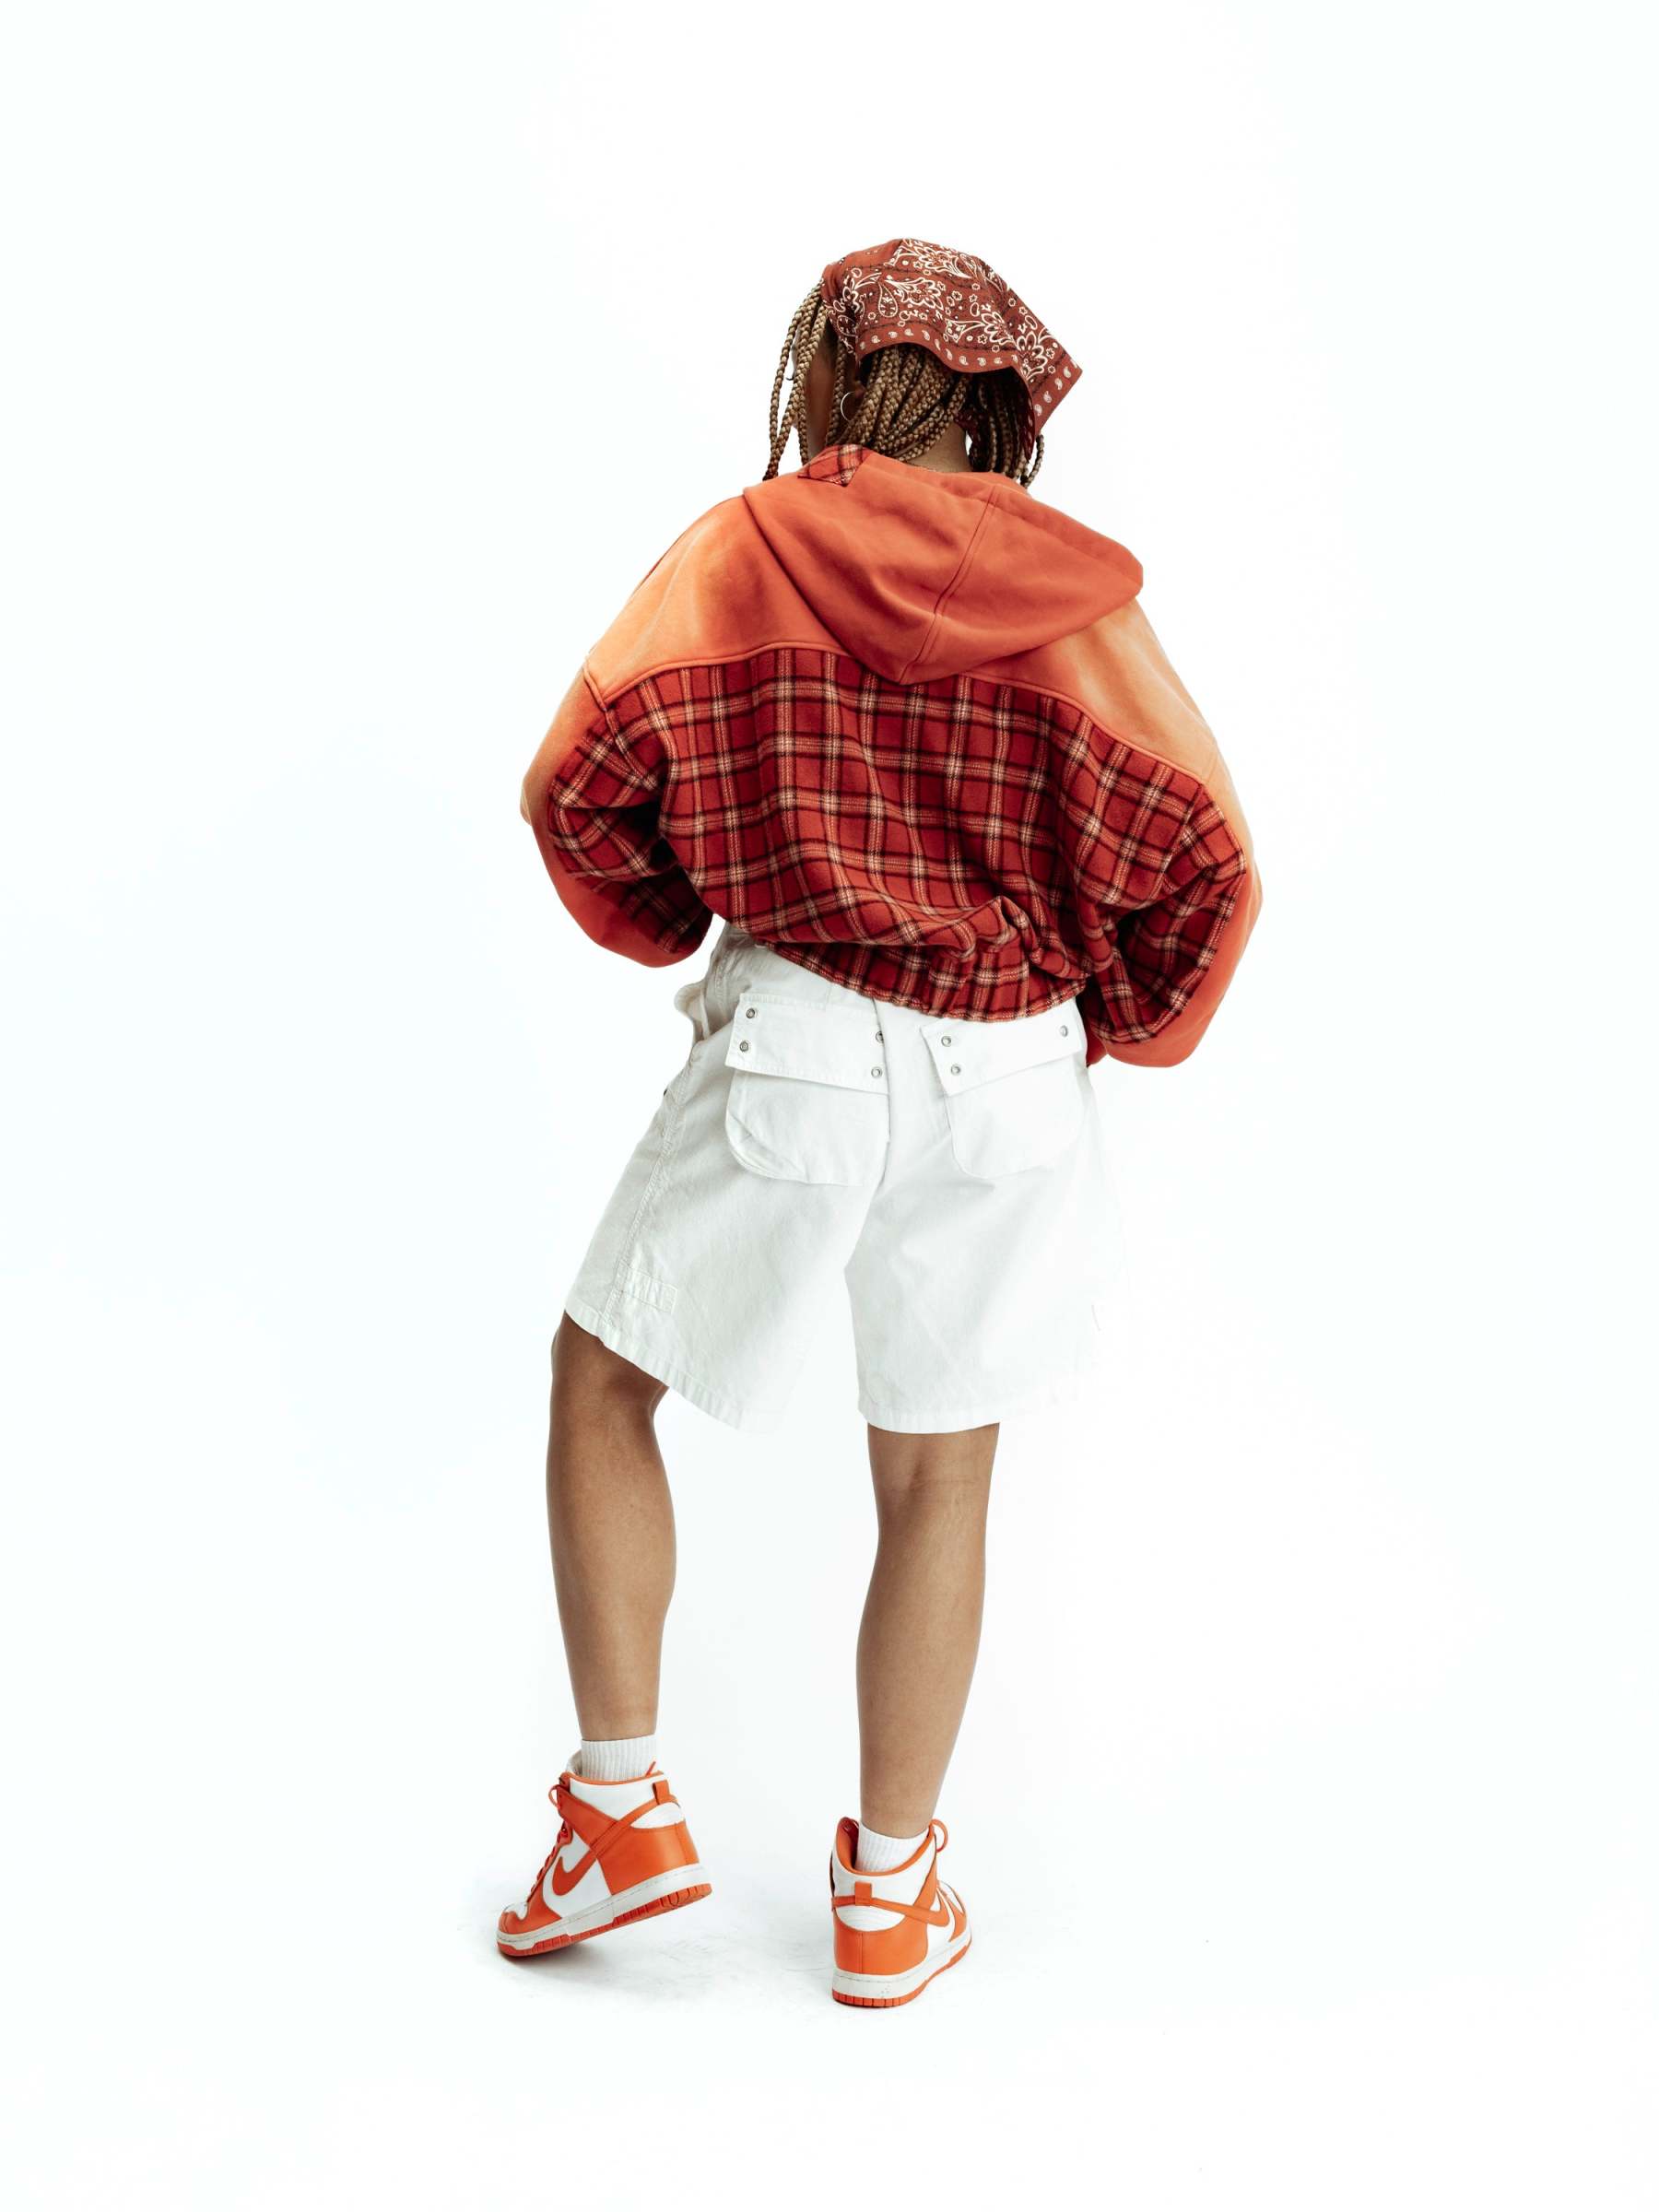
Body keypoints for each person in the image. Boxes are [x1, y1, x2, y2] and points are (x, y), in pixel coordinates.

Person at [500, 238, 1262, 2007]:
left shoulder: (742, 553)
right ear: (995, 403)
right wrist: (1111, 1022)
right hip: (1010, 1078)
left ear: (832, 374)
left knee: (604, 1381)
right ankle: (893, 1898)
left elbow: (575, 780)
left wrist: (675, 913)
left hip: (798, 1041)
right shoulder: (1079, 608)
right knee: (938, 1468)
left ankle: (617, 1813)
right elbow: (1210, 857)